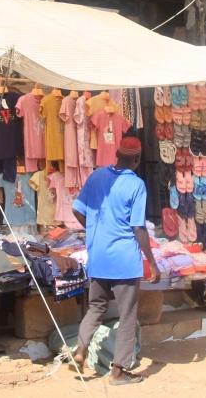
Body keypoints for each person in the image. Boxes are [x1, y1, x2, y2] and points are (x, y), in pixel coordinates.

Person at [70, 137, 160, 385]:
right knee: (127, 315)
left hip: (98, 258)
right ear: (137, 159)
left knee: (96, 308)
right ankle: (118, 372)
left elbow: (77, 210)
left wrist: (93, 231)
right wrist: (151, 262)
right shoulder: (137, 185)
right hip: (124, 261)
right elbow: (138, 227)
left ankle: (80, 350)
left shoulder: (97, 176)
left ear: (117, 154)